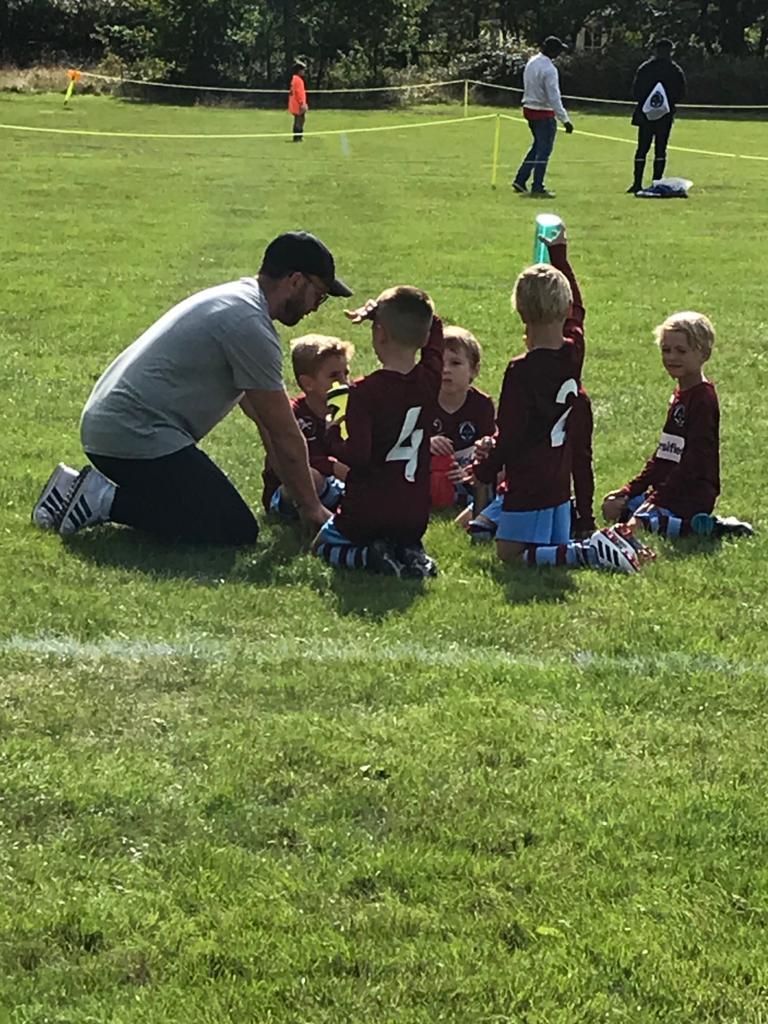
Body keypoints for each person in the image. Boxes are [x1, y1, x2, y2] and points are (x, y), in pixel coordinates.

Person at [32, 231, 352, 545]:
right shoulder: (249, 325)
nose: (315, 306)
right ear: (295, 281)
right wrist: (312, 509)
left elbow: (265, 420)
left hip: (114, 428)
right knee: (232, 527)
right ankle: (101, 499)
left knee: (209, 510)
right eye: (319, 294)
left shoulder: (237, 300)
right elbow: (284, 432)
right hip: (134, 434)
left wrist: (298, 494)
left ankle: (76, 489)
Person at [472, 225, 648, 573]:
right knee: (541, 547)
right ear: (565, 308)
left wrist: (485, 469)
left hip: (529, 480)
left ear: (519, 311)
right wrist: (560, 256)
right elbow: (578, 308)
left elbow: (511, 434)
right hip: (559, 480)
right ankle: (582, 547)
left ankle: (587, 553)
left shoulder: (520, 370)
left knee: (509, 554)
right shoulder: (573, 349)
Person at [312, 287, 443, 579]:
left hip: (368, 508)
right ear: (423, 338)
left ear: (379, 334)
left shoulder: (364, 392)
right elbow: (434, 327)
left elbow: (358, 455)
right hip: (413, 511)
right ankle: (408, 552)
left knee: (320, 546)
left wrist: (332, 434)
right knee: (401, 537)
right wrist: (387, 314)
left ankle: (367, 556)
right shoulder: (430, 378)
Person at [602, 312, 753, 538]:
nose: (672, 357)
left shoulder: (702, 399)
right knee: (612, 507)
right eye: (666, 350)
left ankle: (711, 527)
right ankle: (668, 519)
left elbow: (693, 462)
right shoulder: (680, 394)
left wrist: (656, 500)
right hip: (668, 491)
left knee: (637, 527)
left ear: (704, 354)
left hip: (691, 494)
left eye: (681, 351)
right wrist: (630, 490)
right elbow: (664, 454)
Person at [259, 333, 352, 518]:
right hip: (290, 490)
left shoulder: (350, 407)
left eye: (346, 373)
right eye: (334, 376)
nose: (344, 382)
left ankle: (348, 504)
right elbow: (292, 459)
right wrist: (333, 467)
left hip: (338, 481)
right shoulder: (292, 415)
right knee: (310, 477)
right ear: (308, 383)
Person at [429, 327, 495, 510]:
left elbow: (488, 448)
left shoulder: (482, 405)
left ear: (474, 370)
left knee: (491, 482)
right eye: (440, 362)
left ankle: (472, 504)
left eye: (455, 363)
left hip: (465, 470)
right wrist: (427, 442)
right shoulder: (422, 401)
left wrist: (469, 471)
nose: (445, 370)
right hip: (428, 469)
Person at [512, 36, 574, 199]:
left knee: (537, 147)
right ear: (552, 51)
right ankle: (537, 186)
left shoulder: (532, 61)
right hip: (543, 111)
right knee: (544, 151)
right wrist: (565, 120)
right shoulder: (549, 70)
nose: (559, 54)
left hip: (529, 108)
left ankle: (520, 179)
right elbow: (554, 97)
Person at [628, 39, 686, 194]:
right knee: (660, 149)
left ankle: (637, 183)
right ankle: (657, 182)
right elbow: (681, 93)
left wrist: (648, 104)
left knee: (642, 148)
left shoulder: (645, 68)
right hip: (665, 116)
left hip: (645, 115)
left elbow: (635, 91)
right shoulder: (675, 70)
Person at [288, 61, 308, 143]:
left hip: (295, 104)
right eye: (303, 70)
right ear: (299, 71)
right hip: (298, 104)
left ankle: (297, 136)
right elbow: (299, 93)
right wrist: (302, 103)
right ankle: (298, 137)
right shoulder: (298, 80)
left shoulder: (294, 79)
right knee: (300, 120)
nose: (304, 72)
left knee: (299, 120)